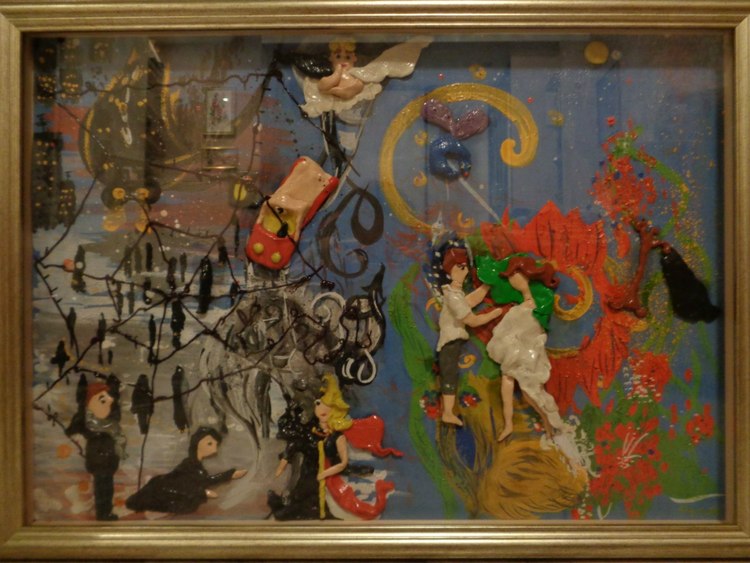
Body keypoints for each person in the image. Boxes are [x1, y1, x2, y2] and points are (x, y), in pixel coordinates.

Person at [479, 255, 570, 443]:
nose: (512, 280)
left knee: (532, 393)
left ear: (527, 275)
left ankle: (550, 425)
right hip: (514, 354)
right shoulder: (522, 306)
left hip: (526, 356)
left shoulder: (536, 307)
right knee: (509, 384)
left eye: (515, 275)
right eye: (510, 276)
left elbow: (529, 331)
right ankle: (509, 424)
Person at [311, 374, 402, 520]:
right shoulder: (322, 432)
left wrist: (324, 474)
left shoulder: (338, 437)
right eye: (318, 403)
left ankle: (379, 493)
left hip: (336, 477)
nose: (320, 407)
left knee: (349, 504)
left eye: (326, 404)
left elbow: (342, 463)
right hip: (328, 477)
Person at [436, 248, 504, 426]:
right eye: (459, 267)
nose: (464, 271)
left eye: (464, 267)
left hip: (455, 341)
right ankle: (448, 413)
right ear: (450, 270)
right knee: (449, 375)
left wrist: (487, 285)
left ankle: (448, 412)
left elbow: (471, 301)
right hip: (449, 341)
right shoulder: (452, 297)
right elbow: (472, 320)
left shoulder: (455, 293)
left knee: (451, 374)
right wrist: (494, 313)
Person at [125, 427, 247, 515]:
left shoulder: (196, 466)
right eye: (210, 443)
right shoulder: (189, 465)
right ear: (197, 443)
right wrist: (203, 493)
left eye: (216, 445)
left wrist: (229, 475)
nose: (215, 449)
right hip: (162, 490)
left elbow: (203, 481)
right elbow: (180, 484)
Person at [66, 381, 127, 521]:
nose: (108, 402)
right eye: (102, 400)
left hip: (110, 459)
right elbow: (70, 432)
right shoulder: (84, 420)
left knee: (108, 487)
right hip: (96, 458)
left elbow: (119, 437)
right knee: (100, 486)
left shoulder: (111, 422)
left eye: (108, 400)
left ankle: (106, 512)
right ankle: (102, 513)